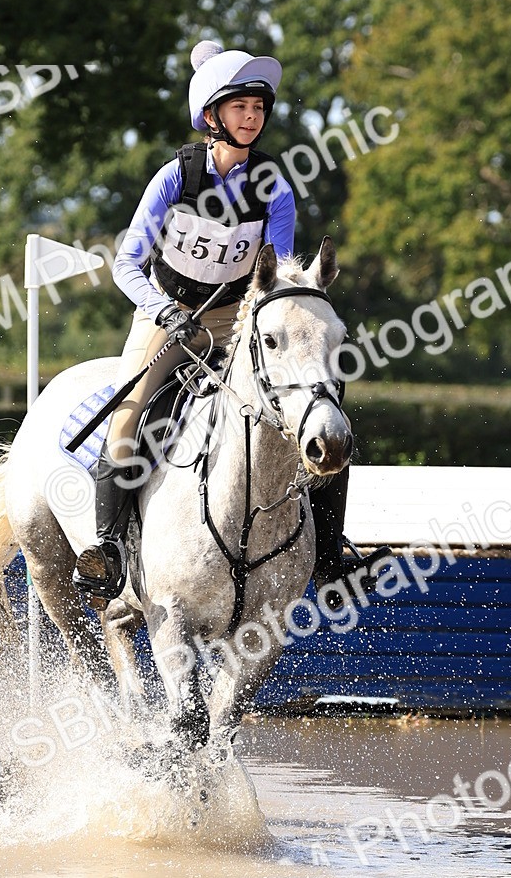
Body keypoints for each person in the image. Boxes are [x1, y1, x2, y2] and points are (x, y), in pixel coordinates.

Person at [73, 41, 354, 606]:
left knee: (320, 412)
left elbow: (272, 280)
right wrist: (164, 311)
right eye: (240, 108)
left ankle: (326, 555)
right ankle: (105, 552)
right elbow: (126, 264)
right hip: (167, 314)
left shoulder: (274, 189)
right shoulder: (174, 178)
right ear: (212, 117)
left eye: (259, 110)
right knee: (129, 420)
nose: (252, 118)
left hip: (235, 319)